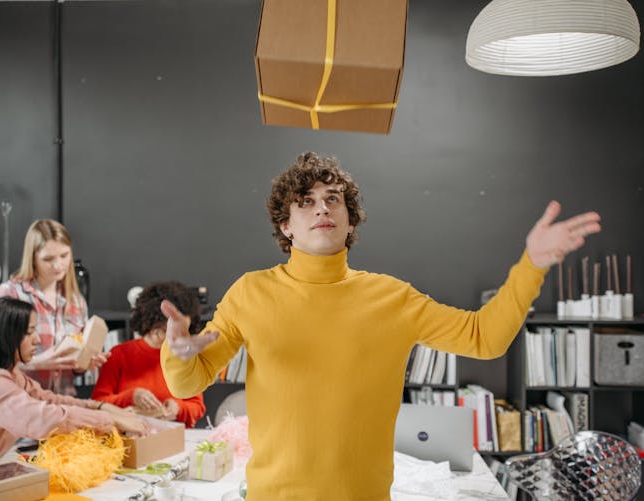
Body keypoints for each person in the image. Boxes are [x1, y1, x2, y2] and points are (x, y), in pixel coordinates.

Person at [159, 152, 602, 501]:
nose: (322, 209)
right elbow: (187, 384)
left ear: (350, 221)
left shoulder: (392, 297)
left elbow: (484, 338)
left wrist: (532, 266)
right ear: (286, 226)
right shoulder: (249, 293)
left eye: (334, 199)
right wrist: (178, 352)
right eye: (307, 201)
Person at [0, 297, 147, 496]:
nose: (38, 340)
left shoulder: (11, 375)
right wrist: (110, 420)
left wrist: (100, 408)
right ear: (5, 337)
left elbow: (51, 401)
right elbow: (46, 419)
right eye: (29, 333)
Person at [0, 219, 108, 395]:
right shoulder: (7, 296)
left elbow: (73, 367)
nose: (59, 265)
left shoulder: (76, 301)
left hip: (62, 406)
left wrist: (83, 364)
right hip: (19, 405)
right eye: (48, 259)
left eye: (64, 255)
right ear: (33, 258)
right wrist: (37, 362)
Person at [91, 281, 206, 427]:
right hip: (127, 438)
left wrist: (178, 408)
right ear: (153, 325)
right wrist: (131, 396)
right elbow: (97, 402)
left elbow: (197, 406)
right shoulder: (119, 354)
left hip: (174, 437)